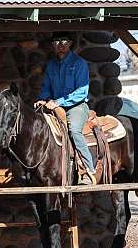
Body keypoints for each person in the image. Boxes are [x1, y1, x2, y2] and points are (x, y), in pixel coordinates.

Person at [34, 32, 96, 185]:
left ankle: (88, 169)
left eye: (64, 41)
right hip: (55, 106)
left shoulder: (79, 63)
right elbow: (46, 87)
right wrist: (43, 99)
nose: (60, 45)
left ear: (70, 44)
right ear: (52, 46)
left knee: (74, 130)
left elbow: (82, 92)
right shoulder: (50, 65)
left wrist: (58, 102)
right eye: (56, 42)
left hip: (76, 106)